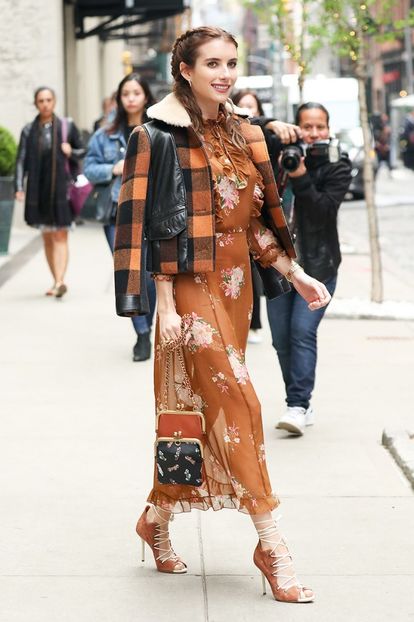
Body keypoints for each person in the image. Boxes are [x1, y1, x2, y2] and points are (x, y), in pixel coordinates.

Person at [114, 27, 332, 603]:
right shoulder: (156, 135)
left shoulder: (244, 133)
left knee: (198, 413)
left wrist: (294, 272)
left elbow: (252, 224)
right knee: (242, 402)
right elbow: (149, 223)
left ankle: (156, 518)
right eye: (212, 63)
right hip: (185, 288)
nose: (225, 73)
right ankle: (272, 544)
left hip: (236, 289)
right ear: (184, 69)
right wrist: (159, 303)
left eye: (231, 63)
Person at [266, 102, 352, 436]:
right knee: (281, 340)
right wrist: (274, 129)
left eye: (320, 127)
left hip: (318, 265)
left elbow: (323, 212)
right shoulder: (278, 157)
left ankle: (298, 404)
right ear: (296, 128)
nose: (314, 133)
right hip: (277, 265)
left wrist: (301, 176)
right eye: (307, 126)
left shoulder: (337, 165)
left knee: (302, 332)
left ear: (328, 129)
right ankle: (298, 401)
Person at [84, 74, 157, 362]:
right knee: (129, 275)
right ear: (119, 98)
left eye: (136, 92)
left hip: (151, 211)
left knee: (150, 275)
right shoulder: (105, 134)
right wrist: (111, 169)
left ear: (145, 96)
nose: (130, 98)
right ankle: (142, 333)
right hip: (117, 212)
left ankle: (149, 324)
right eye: (125, 93)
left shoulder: (159, 131)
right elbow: (88, 168)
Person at [15, 86, 84, 297]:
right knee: (47, 237)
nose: (45, 104)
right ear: (36, 104)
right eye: (41, 100)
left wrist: (70, 151)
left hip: (61, 190)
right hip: (39, 191)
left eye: (48, 100)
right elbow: (21, 160)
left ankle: (60, 281)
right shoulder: (29, 130)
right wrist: (18, 187)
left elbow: (83, 151)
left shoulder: (66, 126)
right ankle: (56, 280)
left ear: (54, 102)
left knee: (60, 235)